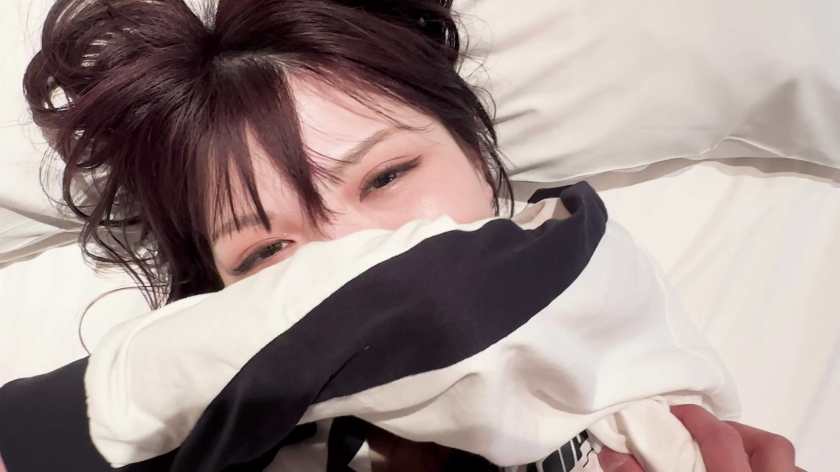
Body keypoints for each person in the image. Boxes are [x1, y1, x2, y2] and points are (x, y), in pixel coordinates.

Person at [0, 0, 803, 470]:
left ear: (481, 161)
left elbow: (433, 298)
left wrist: (81, 414)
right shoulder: (233, 424)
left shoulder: (571, 259)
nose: (349, 253)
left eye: (385, 177)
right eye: (267, 252)